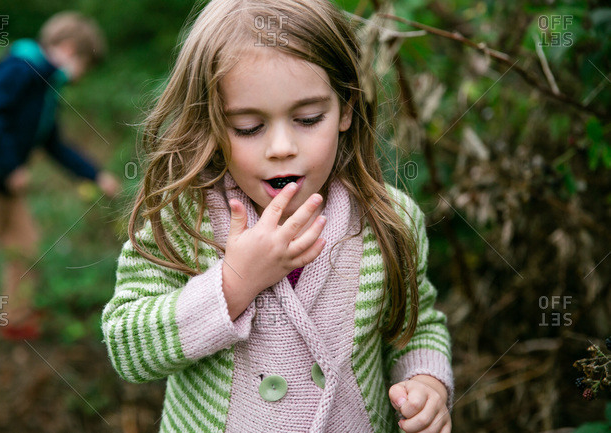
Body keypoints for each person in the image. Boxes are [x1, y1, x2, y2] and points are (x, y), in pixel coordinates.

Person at [101, 0, 453, 432]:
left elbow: (414, 328)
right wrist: (232, 285)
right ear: (210, 122)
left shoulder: (389, 219)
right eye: (249, 127)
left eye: (308, 118)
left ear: (345, 108)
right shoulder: (185, 219)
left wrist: (426, 380)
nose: (281, 147)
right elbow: (127, 346)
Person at [0, 11, 121, 368]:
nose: (82, 74)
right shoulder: (20, 69)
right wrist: (10, 166)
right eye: (84, 62)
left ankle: (15, 319)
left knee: (25, 246)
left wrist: (95, 175)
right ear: (67, 48)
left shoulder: (46, 84)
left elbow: (51, 142)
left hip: (7, 184)